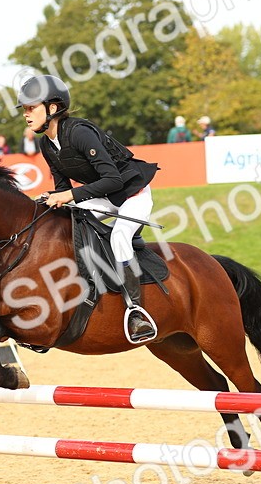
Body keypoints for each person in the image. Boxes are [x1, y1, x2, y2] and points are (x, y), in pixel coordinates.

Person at [18, 74, 160, 343]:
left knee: (119, 236)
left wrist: (69, 195)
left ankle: (136, 311)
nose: (26, 115)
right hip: (104, 196)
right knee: (65, 220)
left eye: (31, 108)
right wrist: (51, 197)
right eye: (24, 109)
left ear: (52, 108)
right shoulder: (47, 143)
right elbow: (63, 190)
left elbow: (114, 180)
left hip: (132, 194)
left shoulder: (80, 133)